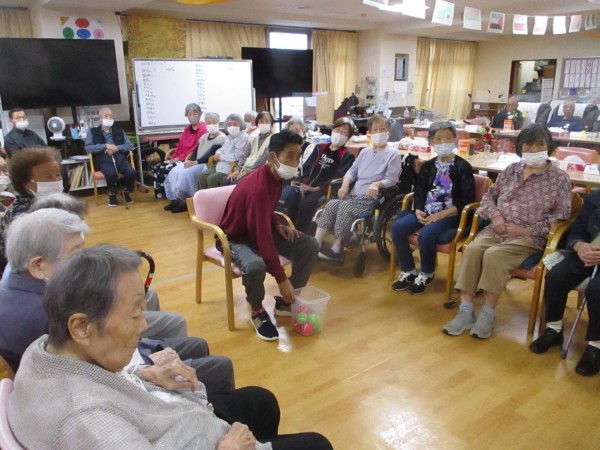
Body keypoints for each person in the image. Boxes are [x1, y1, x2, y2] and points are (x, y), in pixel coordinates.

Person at [8, 245, 332, 449]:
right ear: (82, 327)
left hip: (170, 422)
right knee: (317, 444)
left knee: (261, 401)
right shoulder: (90, 423)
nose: (144, 325)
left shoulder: (45, 350)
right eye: (135, 313)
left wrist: (142, 374)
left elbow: (96, 381)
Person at [0, 210, 234, 394]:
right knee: (219, 366)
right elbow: (96, 374)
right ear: (38, 265)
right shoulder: (44, 315)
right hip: (114, 383)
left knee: (197, 345)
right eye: (76, 253)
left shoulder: (18, 281)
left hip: (109, 367)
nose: (84, 260)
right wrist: (145, 368)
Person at [442, 124, 572, 339]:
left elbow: (561, 216)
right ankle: (465, 311)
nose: (533, 150)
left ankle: (488, 313)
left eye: (539, 145)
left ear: (549, 146)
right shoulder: (511, 170)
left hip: (529, 237)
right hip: (496, 228)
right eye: (528, 145)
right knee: (473, 249)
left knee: (494, 255)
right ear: (520, 147)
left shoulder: (559, 179)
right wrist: (496, 217)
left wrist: (526, 230)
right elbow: (488, 197)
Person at [220, 130, 320, 341]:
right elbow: (262, 239)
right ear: (272, 157)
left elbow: (265, 213)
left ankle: (286, 303)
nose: (295, 162)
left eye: (298, 156)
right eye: (290, 156)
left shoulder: (275, 178)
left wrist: (277, 223)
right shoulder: (257, 186)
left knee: (310, 245)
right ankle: (257, 311)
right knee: (256, 265)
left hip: (259, 228)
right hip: (236, 238)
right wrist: (281, 278)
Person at [391, 121, 475, 295]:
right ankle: (409, 270)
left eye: (448, 138)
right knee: (398, 228)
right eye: (439, 138)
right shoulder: (428, 166)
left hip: (451, 215)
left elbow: (467, 200)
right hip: (426, 211)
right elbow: (420, 191)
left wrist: (441, 215)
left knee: (427, 234)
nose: (444, 142)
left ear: (455, 140)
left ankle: (427, 273)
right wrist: (418, 210)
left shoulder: (463, 166)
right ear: (431, 142)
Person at [529, 189, 600, 376]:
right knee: (556, 276)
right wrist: (579, 246)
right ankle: (554, 330)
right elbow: (577, 230)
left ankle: (595, 346)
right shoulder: (594, 198)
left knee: (596, 289)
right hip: (587, 255)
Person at [314, 114, 403, 263]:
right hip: (354, 194)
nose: (379, 132)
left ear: (388, 131)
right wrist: (345, 184)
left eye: (382, 129)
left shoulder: (393, 154)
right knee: (331, 204)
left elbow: (392, 179)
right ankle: (315, 245)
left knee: (345, 207)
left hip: (372, 197)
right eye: (375, 129)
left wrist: (377, 184)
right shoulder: (365, 152)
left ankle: (337, 249)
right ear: (370, 132)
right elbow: (352, 171)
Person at [283, 117, 356, 233]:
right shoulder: (319, 148)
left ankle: (302, 234)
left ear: (348, 137)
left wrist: (314, 188)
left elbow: (339, 177)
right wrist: (299, 180)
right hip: (307, 184)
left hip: (324, 190)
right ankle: (290, 230)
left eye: (344, 132)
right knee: (292, 196)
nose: (339, 134)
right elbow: (306, 166)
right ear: (332, 130)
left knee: (306, 205)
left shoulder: (347, 156)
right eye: (337, 130)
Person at [0, 147, 63, 273]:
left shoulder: (52, 204)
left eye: (58, 175)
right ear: (26, 183)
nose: (56, 181)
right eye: (48, 177)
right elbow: (27, 263)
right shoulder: (22, 217)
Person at [163, 112, 227, 213]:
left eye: (214, 122)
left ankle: (184, 201)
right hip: (195, 162)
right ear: (205, 123)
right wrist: (190, 160)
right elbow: (196, 151)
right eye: (209, 122)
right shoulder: (204, 136)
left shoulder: (222, 138)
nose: (211, 125)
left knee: (184, 174)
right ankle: (175, 198)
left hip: (205, 164)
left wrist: (195, 163)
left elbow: (209, 155)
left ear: (219, 122)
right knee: (175, 171)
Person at [153, 103, 208, 199]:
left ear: (199, 114)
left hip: (189, 158)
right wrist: (173, 157)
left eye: (194, 114)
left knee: (167, 169)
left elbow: (196, 148)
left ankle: (175, 195)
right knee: (158, 167)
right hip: (180, 157)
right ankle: (163, 194)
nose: (192, 116)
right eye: (189, 114)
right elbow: (180, 145)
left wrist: (179, 158)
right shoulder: (187, 129)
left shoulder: (203, 129)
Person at [84, 107, 136, 207]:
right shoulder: (92, 131)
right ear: (100, 118)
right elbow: (88, 147)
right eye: (106, 116)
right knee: (111, 173)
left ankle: (125, 191)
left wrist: (117, 148)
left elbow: (130, 145)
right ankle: (112, 194)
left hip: (119, 157)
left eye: (111, 116)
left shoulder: (120, 131)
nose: (109, 118)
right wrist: (105, 146)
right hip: (103, 158)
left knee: (131, 172)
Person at [197, 113, 251, 190]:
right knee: (201, 176)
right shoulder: (230, 136)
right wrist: (217, 153)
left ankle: (215, 198)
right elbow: (223, 149)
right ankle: (203, 197)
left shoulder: (243, 137)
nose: (232, 127)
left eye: (235, 124)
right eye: (229, 125)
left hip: (231, 167)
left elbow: (237, 156)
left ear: (241, 125)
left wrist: (221, 157)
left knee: (212, 179)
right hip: (220, 165)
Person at [223, 111, 274, 185]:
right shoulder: (253, 139)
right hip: (245, 169)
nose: (264, 124)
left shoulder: (273, 139)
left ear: (271, 124)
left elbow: (262, 160)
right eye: (261, 121)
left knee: (235, 184)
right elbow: (244, 156)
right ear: (257, 124)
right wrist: (237, 170)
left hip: (257, 172)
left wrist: (246, 172)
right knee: (226, 181)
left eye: (267, 121)